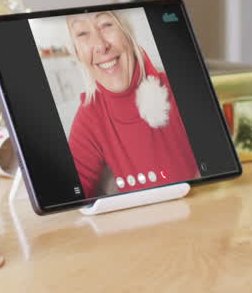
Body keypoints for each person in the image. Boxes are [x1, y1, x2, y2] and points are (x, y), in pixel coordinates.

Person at [63, 11, 199, 197]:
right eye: (82, 33)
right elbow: (69, 195)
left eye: (106, 25)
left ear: (127, 34)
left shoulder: (182, 90)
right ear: (77, 53)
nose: (101, 46)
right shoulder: (90, 115)